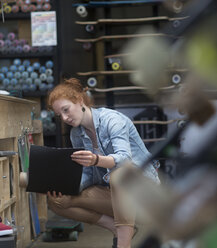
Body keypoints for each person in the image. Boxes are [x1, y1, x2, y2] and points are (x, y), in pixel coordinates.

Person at [47, 78, 160, 248]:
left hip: (144, 195)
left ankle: (123, 245)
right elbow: (88, 174)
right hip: (117, 198)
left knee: (119, 174)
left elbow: (124, 159)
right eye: (59, 115)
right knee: (58, 201)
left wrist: (97, 160)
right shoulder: (76, 134)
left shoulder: (112, 120)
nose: (64, 118)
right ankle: (116, 229)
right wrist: (68, 187)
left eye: (66, 110)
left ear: (79, 101)